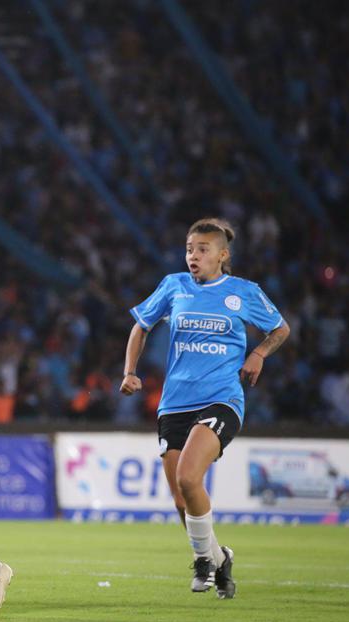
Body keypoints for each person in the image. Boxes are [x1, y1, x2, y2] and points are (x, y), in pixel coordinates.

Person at [120, 218, 290, 599]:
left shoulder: (243, 292)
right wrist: (130, 371)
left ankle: (202, 564)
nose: (193, 256)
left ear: (222, 255)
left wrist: (258, 353)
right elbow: (140, 326)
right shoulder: (173, 286)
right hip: (174, 403)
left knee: (188, 478)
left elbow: (280, 328)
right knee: (182, 501)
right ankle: (219, 557)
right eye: (189, 249)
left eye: (202, 249)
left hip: (221, 399)